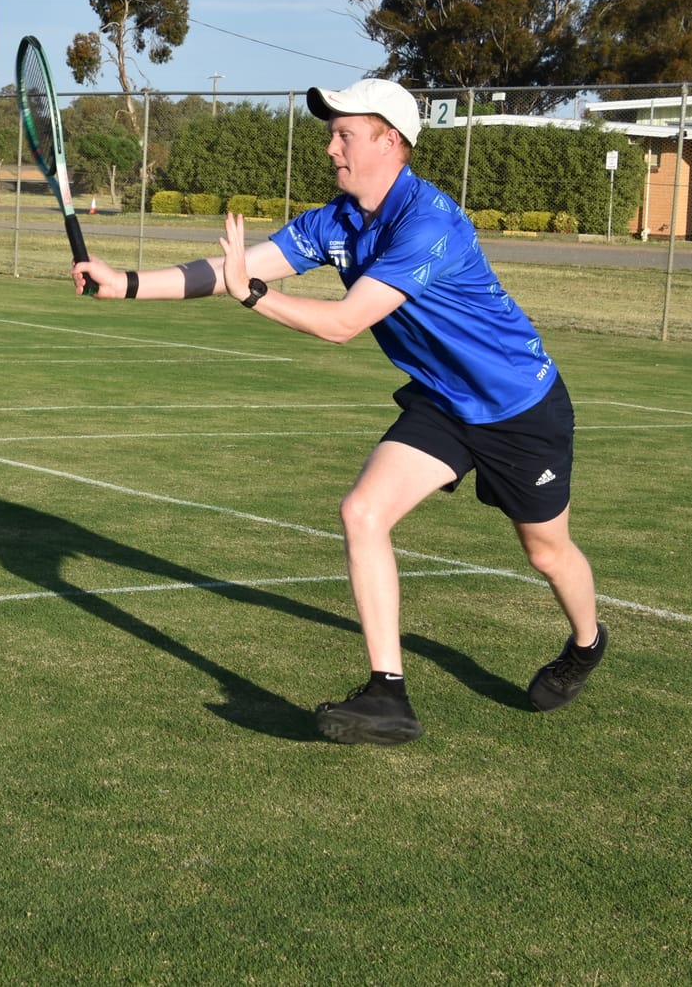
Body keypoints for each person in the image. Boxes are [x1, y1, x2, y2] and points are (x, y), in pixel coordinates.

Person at [70, 77, 606, 745]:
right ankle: (388, 695)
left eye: (344, 134)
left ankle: (587, 642)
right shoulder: (339, 220)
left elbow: (344, 322)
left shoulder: (428, 222)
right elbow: (236, 265)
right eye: (332, 134)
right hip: (442, 401)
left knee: (546, 552)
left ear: (390, 142)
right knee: (362, 511)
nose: (330, 148)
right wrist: (126, 283)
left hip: (519, 407)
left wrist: (251, 295)